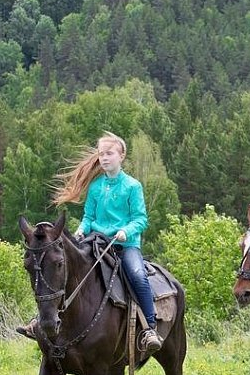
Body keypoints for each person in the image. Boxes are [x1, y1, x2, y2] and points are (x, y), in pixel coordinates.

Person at [17, 132, 162, 351]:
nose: (104, 158)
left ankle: (150, 328)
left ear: (121, 156)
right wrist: (81, 230)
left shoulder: (132, 186)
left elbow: (140, 219)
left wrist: (125, 231)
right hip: (96, 243)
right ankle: (41, 321)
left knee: (137, 275)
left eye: (109, 153)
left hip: (125, 246)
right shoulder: (96, 186)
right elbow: (89, 217)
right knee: (63, 272)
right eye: (101, 154)